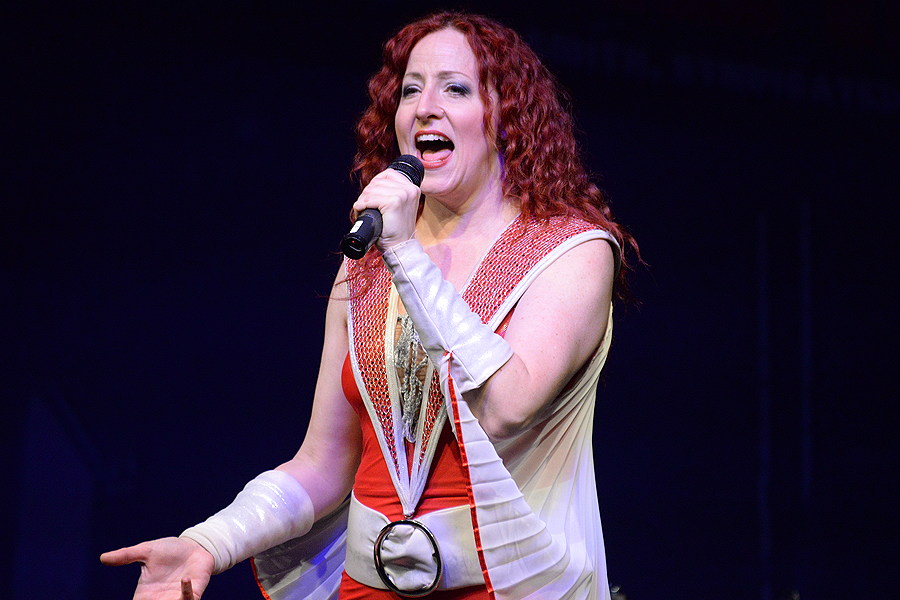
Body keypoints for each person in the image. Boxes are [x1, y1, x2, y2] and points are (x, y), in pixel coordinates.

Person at [101, 11, 637, 600]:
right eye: (410, 90)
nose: (424, 108)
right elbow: (323, 464)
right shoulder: (367, 259)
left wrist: (405, 252)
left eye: (455, 89)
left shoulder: (571, 250)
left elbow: (507, 407)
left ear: (507, 117)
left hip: (508, 587)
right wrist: (209, 543)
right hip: (369, 587)